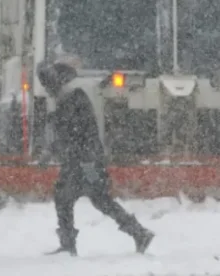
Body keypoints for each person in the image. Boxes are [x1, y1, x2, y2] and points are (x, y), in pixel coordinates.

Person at [37, 62, 154, 256]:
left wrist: (54, 148)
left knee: (69, 198)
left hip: (83, 161)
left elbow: (74, 133)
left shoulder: (73, 100)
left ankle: (69, 244)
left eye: (49, 87)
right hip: (83, 159)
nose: (48, 91)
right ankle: (138, 233)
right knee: (98, 200)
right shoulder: (70, 102)